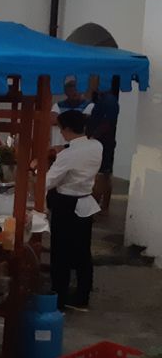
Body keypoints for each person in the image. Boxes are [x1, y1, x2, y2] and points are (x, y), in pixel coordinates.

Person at [46, 109, 103, 312]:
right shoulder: (96, 146)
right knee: (82, 253)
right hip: (85, 202)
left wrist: (37, 169)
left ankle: (59, 297)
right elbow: (79, 148)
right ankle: (82, 295)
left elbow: (48, 181)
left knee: (60, 253)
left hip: (66, 204)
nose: (61, 133)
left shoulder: (68, 155)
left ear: (68, 129)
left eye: (61, 129)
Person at [88, 78, 120, 214]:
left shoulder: (109, 100)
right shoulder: (103, 100)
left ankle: (95, 208)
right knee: (105, 175)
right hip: (103, 141)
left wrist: (93, 136)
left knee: (100, 175)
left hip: (103, 143)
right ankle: (103, 207)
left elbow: (108, 122)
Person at [51, 79, 94, 149]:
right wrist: (77, 118)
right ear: (66, 92)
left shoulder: (91, 106)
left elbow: (87, 122)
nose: (75, 92)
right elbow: (53, 120)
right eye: (71, 90)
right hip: (59, 146)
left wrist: (64, 119)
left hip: (80, 147)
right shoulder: (58, 105)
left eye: (77, 90)